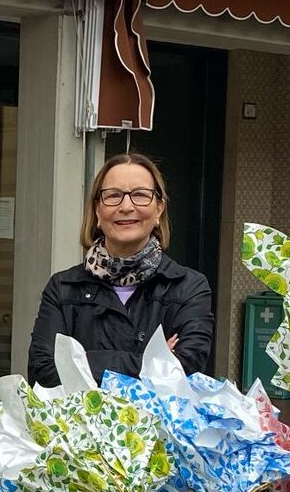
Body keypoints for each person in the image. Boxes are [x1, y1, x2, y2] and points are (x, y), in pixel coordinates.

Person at [27, 152, 214, 385]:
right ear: (97, 210)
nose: (126, 206)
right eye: (113, 195)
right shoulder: (63, 288)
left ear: (159, 209)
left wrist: (81, 361)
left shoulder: (189, 287)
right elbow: (43, 372)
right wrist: (150, 363)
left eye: (140, 195)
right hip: (81, 422)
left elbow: (185, 369)